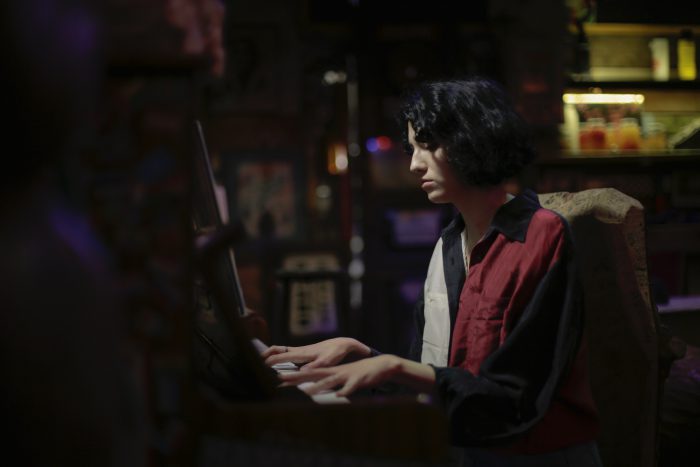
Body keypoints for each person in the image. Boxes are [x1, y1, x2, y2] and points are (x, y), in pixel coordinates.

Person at [262, 77, 601, 466]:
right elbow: (434, 380)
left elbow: (516, 401)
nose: (413, 163)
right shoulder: (448, 246)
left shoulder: (542, 234)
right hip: (463, 450)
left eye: (428, 144)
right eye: (413, 147)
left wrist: (389, 365)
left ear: (472, 139)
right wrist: (360, 354)